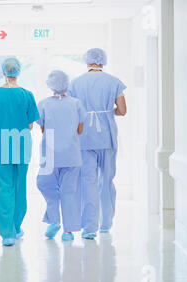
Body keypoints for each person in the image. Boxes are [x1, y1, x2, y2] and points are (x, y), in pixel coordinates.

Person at [68, 48, 127, 240]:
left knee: (88, 181)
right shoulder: (114, 82)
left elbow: (72, 111)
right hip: (107, 135)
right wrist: (108, 113)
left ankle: (90, 227)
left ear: (87, 61)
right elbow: (123, 110)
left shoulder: (75, 83)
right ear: (103, 61)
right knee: (107, 180)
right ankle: (106, 222)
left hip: (84, 136)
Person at [0, 57, 40, 247]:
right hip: (22, 145)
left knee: (3, 187)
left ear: (4, 73)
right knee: (19, 186)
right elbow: (30, 125)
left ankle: (7, 234)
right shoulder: (27, 95)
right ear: (18, 72)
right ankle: (16, 226)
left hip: (1, 146)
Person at [36, 70, 87, 241]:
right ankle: (68, 231)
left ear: (50, 85)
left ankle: (54, 219)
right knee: (69, 192)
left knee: (46, 186)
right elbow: (80, 130)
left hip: (49, 154)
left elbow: (42, 128)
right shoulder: (76, 103)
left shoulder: (43, 104)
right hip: (71, 154)